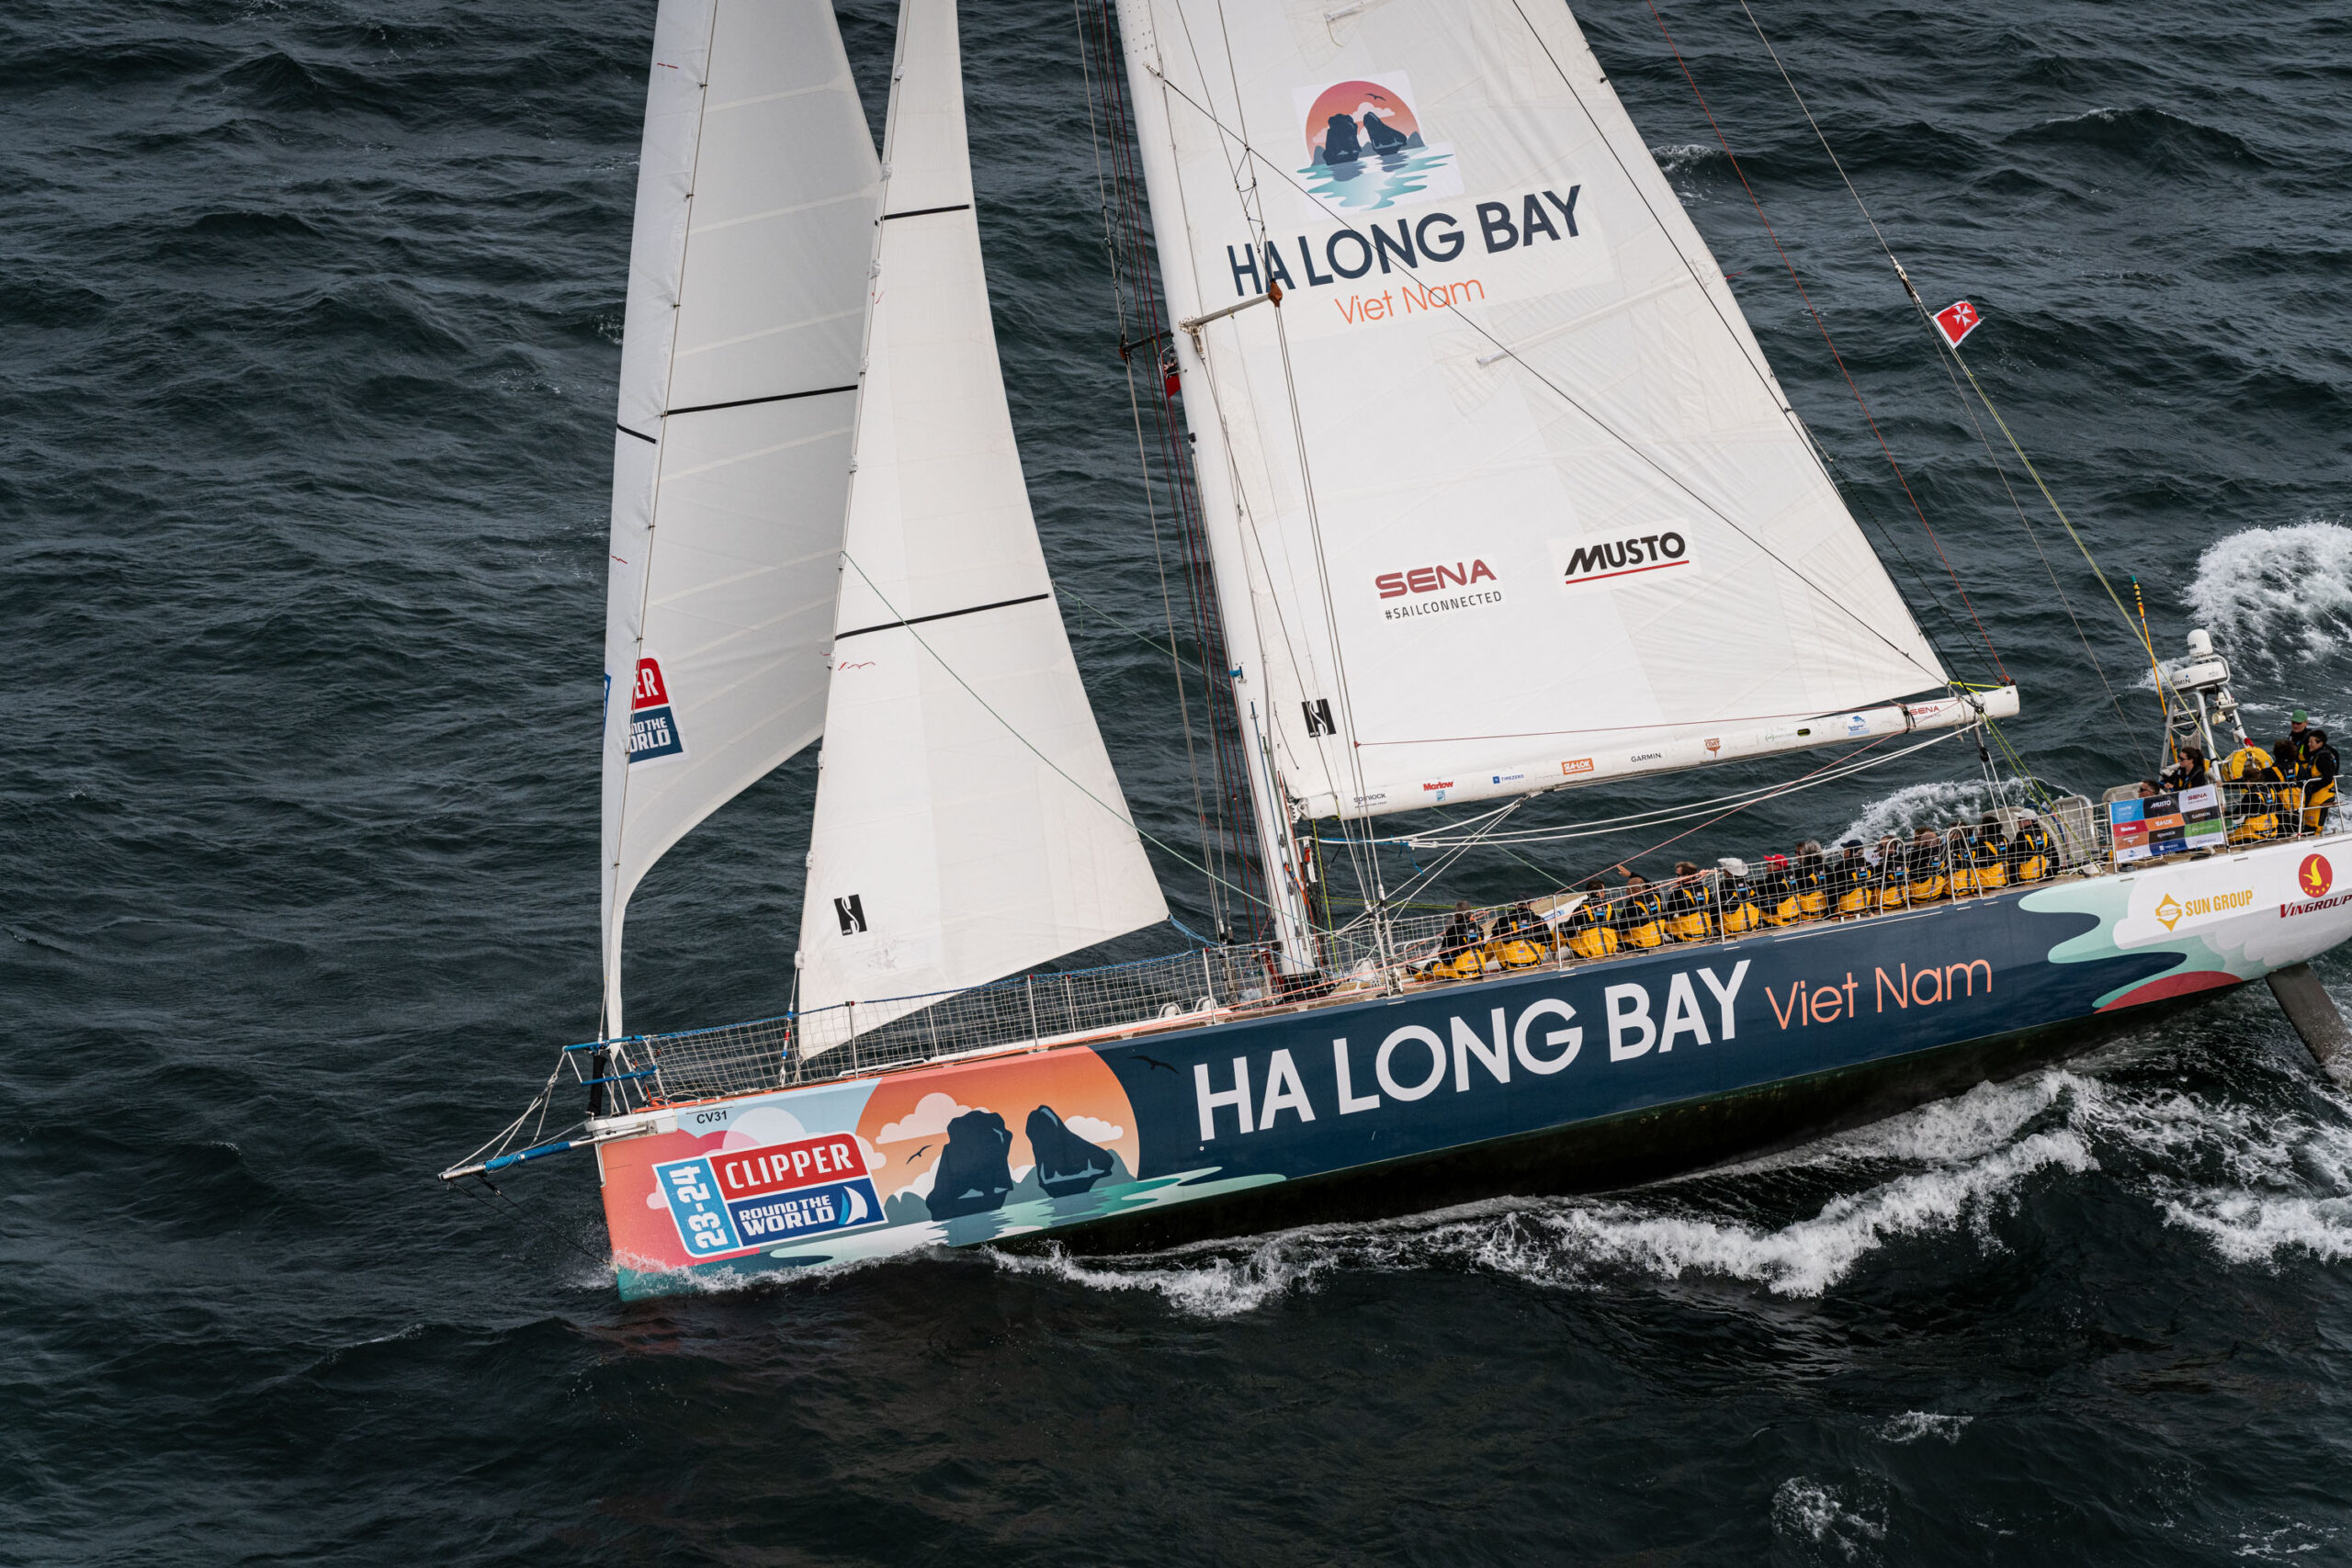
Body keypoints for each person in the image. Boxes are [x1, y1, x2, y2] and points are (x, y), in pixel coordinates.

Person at [2222, 736, 2286, 842]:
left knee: (2230, 840)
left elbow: (2236, 815)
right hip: (2272, 832)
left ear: (2247, 781)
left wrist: (2224, 812)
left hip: (2255, 834)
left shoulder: (2251, 795)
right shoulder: (2271, 790)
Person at [2295, 726, 2339, 833]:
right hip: (2318, 796)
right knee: (2309, 824)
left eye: (2311, 742)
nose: (2308, 744)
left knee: (2313, 826)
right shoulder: (2318, 755)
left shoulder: (2323, 758)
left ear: (2320, 744)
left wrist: (2312, 789)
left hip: (2322, 797)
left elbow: (2328, 778)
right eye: (2308, 742)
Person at [1564, 877, 1619, 961]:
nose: (1604, 893)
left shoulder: (1581, 909)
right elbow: (1614, 926)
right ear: (1597, 893)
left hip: (1590, 954)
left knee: (1561, 929)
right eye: (1603, 891)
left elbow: (1569, 932)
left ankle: (1550, 955)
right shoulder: (1610, 907)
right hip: (1610, 951)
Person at [1431, 900, 1484, 980]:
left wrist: (1451, 959)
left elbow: (1443, 954)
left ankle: (1417, 974)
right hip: (1479, 970)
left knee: (1431, 965)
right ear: (1470, 913)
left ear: (1456, 915)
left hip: (1460, 972)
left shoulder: (1452, 931)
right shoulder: (1479, 928)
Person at [1488, 900, 1549, 969]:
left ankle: (1480, 967)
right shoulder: (1538, 919)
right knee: (1544, 940)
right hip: (1533, 964)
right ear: (1529, 905)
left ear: (1515, 905)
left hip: (1510, 966)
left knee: (1494, 940)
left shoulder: (1503, 919)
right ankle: (1539, 961)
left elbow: (1494, 932)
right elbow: (1548, 941)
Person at [1959, 812, 2009, 894]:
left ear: (1985, 830)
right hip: (2004, 880)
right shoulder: (2004, 839)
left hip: (1987, 884)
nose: (1980, 831)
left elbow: (1968, 860)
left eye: (1981, 829)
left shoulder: (1980, 844)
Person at [1666, 861, 1715, 942]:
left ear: (1687, 876)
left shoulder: (1678, 893)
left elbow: (1668, 914)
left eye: (1678, 875)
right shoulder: (1705, 889)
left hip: (1688, 937)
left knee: (1662, 922)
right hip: (1706, 933)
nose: (1676, 878)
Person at [1617, 871, 1668, 949]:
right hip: (1659, 940)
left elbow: (1622, 930)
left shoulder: (1632, 905)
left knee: (1615, 934)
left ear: (1635, 891)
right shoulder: (1656, 896)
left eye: (1628, 889)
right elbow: (1652, 885)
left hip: (1643, 945)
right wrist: (1631, 875)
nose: (1626, 892)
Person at [1718, 860, 1764, 934]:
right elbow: (1760, 901)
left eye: (1724, 870)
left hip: (1732, 930)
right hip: (1752, 925)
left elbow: (1716, 908)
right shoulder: (1749, 885)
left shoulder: (1724, 887)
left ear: (1728, 872)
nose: (1723, 871)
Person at [2007, 811, 2056, 882]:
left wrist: (2014, 882)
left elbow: (2014, 860)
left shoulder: (2021, 835)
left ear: (2028, 821)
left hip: (2024, 880)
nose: (2018, 822)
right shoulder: (2044, 834)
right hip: (2040, 878)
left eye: (2020, 819)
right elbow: (2055, 857)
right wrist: (2050, 877)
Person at [1905, 826, 1950, 904]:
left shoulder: (1913, 855)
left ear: (1924, 841)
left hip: (1917, 898)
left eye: (1916, 838)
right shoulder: (1944, 851)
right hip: (1937, 894)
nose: (1913, 840)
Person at [1758, 853, 1803, 927]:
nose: (1767, 866)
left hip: (1781, 922)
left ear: (1778, 866)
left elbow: (1772, 907)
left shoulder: (1772, 880)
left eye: (1769, 863)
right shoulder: (1790, 875)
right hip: (1795, 917)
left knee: (1758, 903)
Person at [1831, 840, 1872, 917]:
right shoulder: (1869, 866)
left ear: (1849, 852)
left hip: (1845, 911)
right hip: (1865, 908)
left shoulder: (1841, 867)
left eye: (1845, 850)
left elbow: (1834, 889)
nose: (1844, 852)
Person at [1792, 840, 1830, 922]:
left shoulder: (1800, 871)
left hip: (1808, 915)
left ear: (1803, 854)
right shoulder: (1825, 867)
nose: (1796, 855)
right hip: (1826, 911)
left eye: (1798, 853)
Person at [1872, 835, 1910, 911]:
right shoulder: (1904, 860)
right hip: (1904, 901)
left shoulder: (1882, 865)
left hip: (1886, 904)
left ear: (1889, 848)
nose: (1877, 849)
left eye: (1880, 846)